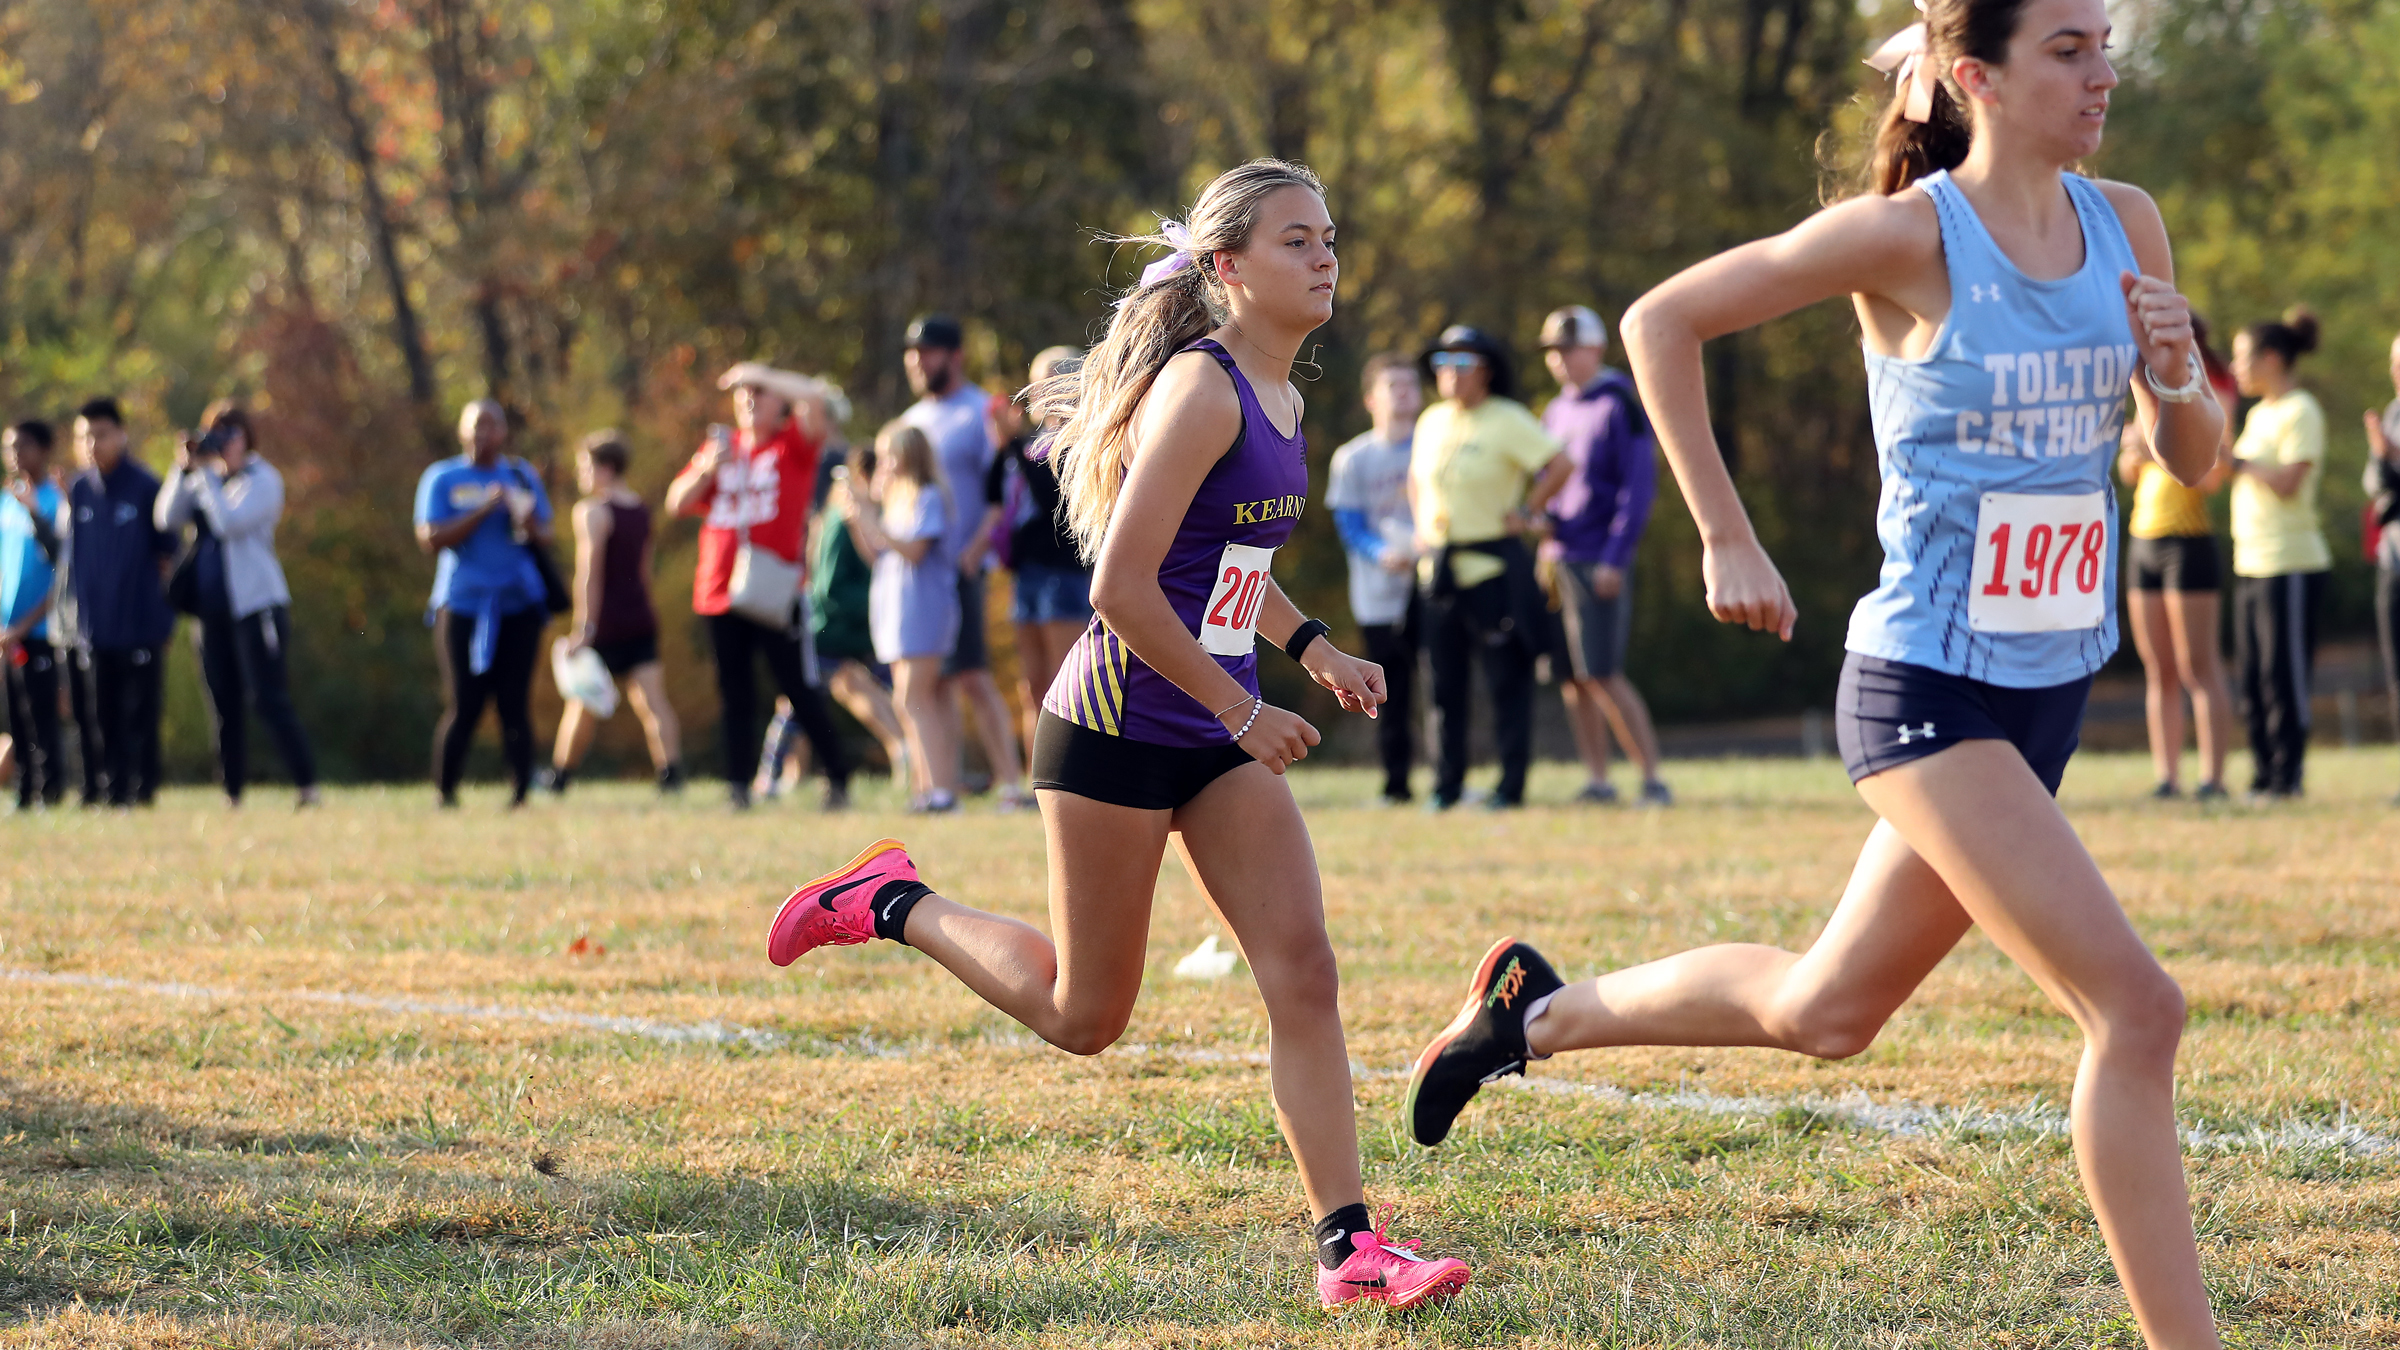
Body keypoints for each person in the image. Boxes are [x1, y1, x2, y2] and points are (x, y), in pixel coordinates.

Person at [1406, 2, 2228, 1345]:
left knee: (1826, 1008)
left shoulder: (2127, 221)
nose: (2103, 75)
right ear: (1978, 77)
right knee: (2137, 1010)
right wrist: (1726, 531)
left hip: (2049, 692)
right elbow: (1662, 321)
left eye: (2104, 45)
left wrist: (2176, 370)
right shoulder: (1908, 237)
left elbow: (2193, 460)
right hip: (1925, 691)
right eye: (2068, 50)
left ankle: (1528, 1014)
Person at [769, 160, 1471, 1310]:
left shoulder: (1284, 397)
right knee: (1084, 1016)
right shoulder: (1203, 390)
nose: (1325, 257)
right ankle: (891, 900)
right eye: (1296, 240)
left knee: (1303, 970)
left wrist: (1313, 649)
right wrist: (1241, 709)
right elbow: (1122, 589)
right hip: (1115, 727)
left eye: (1329, 237)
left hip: (1215, 731)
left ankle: (1348, 1250)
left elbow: (1230, 562)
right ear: (1228, 267)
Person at [666, 363, 854, 811]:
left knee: (797, 688)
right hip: (720, 590)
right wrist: (706, 469)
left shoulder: (792, 444)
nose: (750, 398)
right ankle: (737, 786)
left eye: (760, 392)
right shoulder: (721, 447)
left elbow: (816, 397)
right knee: (735, 694)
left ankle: (837, 776)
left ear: (779, 401)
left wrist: (764, 373)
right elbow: (676, 503)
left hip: (774, 589)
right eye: (743, 392)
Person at [1410, 325, 1572, 810]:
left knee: (1507, 681)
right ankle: (1447, 787)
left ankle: (1509, 786)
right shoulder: (1431, 420)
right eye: (1442, 363)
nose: (1450, 373)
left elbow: (1561, 464)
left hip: (1492, 571)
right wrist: (1421, 526)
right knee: (1442, 685)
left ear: (1486, 371)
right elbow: (1416, 480)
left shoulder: (1507, 418)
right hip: (1438, 574)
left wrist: (1528, 510)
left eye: (1463, 364)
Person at [1538, 304, 1672, 807]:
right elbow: (1549, 483)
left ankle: (1652, 779)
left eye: (1569, 349)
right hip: (1559, 558)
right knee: (1572, 679)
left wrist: (1616, 557)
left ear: (1595, 349)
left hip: (1598, 557)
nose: (1560, 360)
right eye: (1553, 351)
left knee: (1603, 673)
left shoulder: (1621, 404)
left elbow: (1637, 490)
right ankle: (1598, 780)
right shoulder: (1555, 410)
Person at [157, 401, 321, 809]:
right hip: (211, 611)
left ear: (247, 438)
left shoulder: (263, 479)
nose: (224, 443)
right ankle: (232, 793)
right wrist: (183, 469)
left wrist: (207, 480)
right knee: (221, 702)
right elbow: (165, 518)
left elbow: (229, 523)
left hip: (256, 606)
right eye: (217, 434)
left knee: (267, 697)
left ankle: (307, 786)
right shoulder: (205, 478)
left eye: (231, 434)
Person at [901, 316, 1031, 809]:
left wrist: (977, 551)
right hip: (923, 572)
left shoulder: (978, 411)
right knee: (934, 681)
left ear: (954, 356)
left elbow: (1002, 488)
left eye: (927, 352)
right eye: (912, 353)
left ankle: (1011, 783)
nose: (918, 362)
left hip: (962, 567)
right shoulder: (913, 419)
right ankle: (943, 784)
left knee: (973, 675)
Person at [2117, 316, 2237, 800]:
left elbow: (2213, 475)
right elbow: (2129, 472)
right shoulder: (2144, 393)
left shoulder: (2205, 396)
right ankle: (2167, 777)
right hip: (2144, 538)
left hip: (2189, 541)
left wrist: (2159, 451)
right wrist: (2133, 454)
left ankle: (2212, 778)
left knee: (2197, 666)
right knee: (2158, 668)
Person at [414, 398, 554, 809]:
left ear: (504, 432)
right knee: (466, 702)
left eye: (492, 425)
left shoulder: (521, 475)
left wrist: (523, 517)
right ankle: (445, 791)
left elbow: (545, 534)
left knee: (514, 702)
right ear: (462, 430)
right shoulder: (443, 477)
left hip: (518, 605)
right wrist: (484, 509)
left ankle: (521, 793)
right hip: (462, 605)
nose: (483, 433)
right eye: (476, 424)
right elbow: (430, 538)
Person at [539, 431, 682, 795]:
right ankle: (671, 776)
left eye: (584, 467)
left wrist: (584, 628)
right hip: (639, 618)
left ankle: (559, 778)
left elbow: (589, 573)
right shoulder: (640, 511)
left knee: (582, 704)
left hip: (604, 624)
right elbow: (645, 572)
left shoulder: (592, 511)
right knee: (654, 703)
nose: (580, 475)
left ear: (605, 468)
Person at [2227, 307, 2329, 801]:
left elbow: (2289, 482)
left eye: (2242, 357)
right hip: (2251, 561)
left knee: (2283, 677)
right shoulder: (2258, 414)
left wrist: (2238, 463)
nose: (2236, 367)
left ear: (2271, 358)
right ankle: (2263, 774)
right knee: (2253, 678)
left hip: (2290, 562)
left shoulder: (2300, 410)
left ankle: (2289, 777)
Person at [838, 421, 962, 811]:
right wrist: (859, 520)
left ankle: (942, 790)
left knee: (914, 698)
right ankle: (926, 789)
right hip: (899, 612)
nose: (883, 464)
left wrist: (873, 520)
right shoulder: (897, 500)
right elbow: (878, 556)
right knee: (909, 701)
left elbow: (914, 551)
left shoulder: (928, 496)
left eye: (888, 455)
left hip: (924, 610)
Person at [65, 397, 174, 807]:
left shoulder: (145, 486)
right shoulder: (79, 489)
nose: (93, 444)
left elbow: (167, 554)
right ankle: (113, 789)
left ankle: (143, 790)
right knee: (102, 713)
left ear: (121, 435)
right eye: (85, 436)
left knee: (141, 712)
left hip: (141, 622)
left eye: (101, 434)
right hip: (96, 625)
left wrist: (164, 619)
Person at [1325, 352, 1423, 804]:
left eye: (1411, 385)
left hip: (1432, 588)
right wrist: (1382, 554)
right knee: (1390, 689)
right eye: (1393, 385)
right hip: (1378, 594)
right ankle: (1395, 785)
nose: (1404, 393)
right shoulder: (1353, 458)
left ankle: (1452, 782)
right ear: (1371, 399)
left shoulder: (1433, 445)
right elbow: (1349, 524)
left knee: (1443, 685)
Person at [990, 346, 1097, 756]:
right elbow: (993, 491)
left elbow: (1055, 502)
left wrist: (1015, 445)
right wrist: (1006, 445)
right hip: (1028, 572)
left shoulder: (1081, 439)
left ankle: (1073, 768)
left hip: (1063, 571)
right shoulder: (1031, 442)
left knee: (1065, 681)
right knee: (1031, 684)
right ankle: (1036, 773)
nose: (1033, 392)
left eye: (1043, 382)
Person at [1, 420, 65, 809]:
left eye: (23, 446)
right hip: (8, 632)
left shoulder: (54, 501)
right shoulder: (7, 501)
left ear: (43, 449)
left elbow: (61, 574)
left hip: (41, 629)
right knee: (17, 715)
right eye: (9, 447)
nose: (15, 455)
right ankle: (24, 791)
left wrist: (26, 624)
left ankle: (50, 789)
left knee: (43, 714)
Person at [2365, 329, 2400, 804]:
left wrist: (2391, 454)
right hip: (2393, 558)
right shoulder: (2393, 414)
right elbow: (2376, 483)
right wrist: (2380, 455)